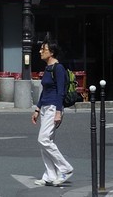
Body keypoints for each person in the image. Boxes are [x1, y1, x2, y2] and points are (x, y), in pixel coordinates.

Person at [32, 40, 75, 187]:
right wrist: (37, 109)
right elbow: (45, 91)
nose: (40, 51)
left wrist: (58, 112)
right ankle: (50, 175)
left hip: (53, 108)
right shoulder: (48, 68)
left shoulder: (58, 68)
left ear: (51, 52)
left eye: (43, 49)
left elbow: (60, 92)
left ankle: (65, 168)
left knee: (43, 139)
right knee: (46, 142)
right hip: (45, 107)